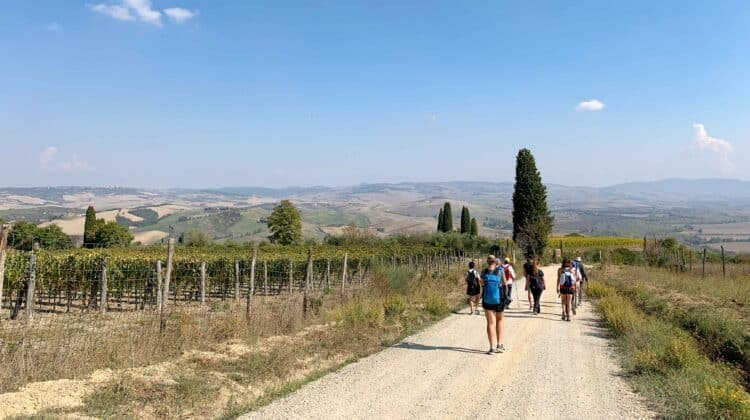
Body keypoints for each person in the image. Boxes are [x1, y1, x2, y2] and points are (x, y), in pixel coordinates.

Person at [480, 255, 506, 354]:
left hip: (487, 299)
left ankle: (492, 348)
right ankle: (499, 345)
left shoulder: (484, 271)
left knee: (490, 322)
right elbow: (504, 283)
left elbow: (482, 284)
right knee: (499, 320)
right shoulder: (500, 270)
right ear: (496, 262)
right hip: (499, 298)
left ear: (487, 262)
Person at [557, 257, 575, 321]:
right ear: (569, 263)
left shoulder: (560, 270)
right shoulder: (572, 270)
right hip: (570, 288)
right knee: (569, 302)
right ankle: (569, 316)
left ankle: (564, 313)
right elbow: (574, 280)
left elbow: (558, 279)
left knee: (563, 302)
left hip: (562, 288)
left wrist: (557, 287)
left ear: (563, 263)